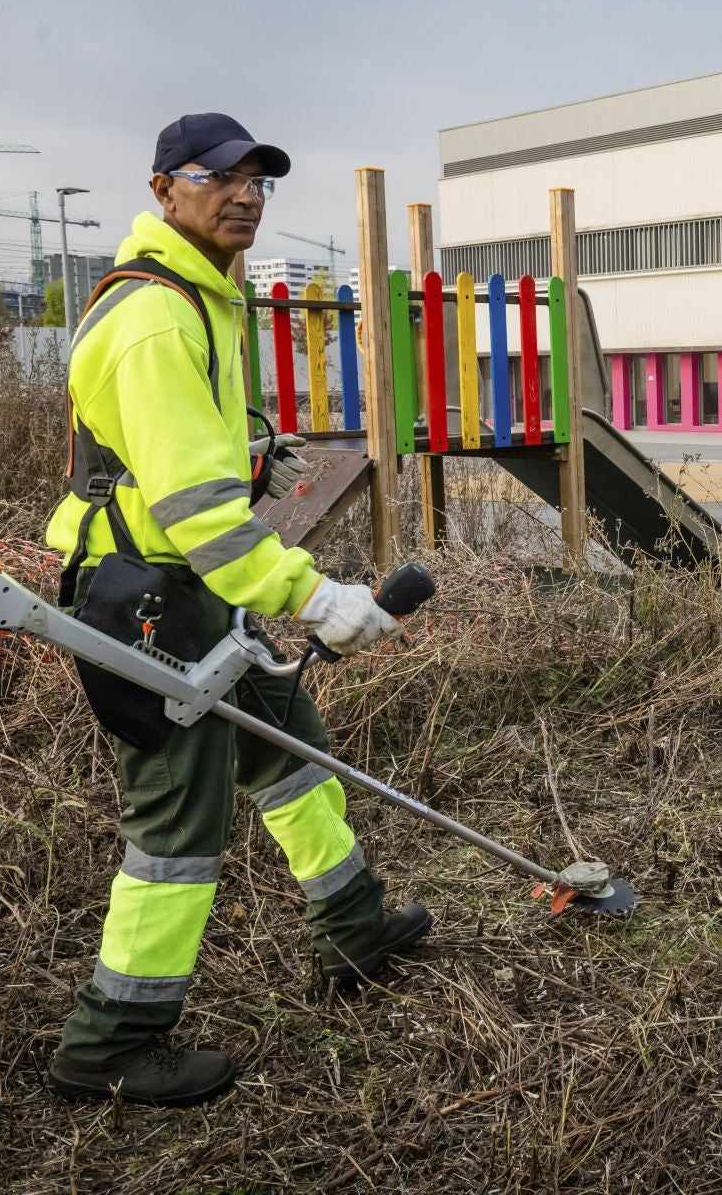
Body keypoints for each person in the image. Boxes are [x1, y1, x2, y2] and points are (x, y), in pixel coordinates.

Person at [44, 114, 432, 1108]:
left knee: (293, 750)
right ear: (164, 188)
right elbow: (194, 516)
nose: (245, 194)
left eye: (258, 179)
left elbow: (178, 465)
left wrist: (259, 459)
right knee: (178, 821)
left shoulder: (204, 297)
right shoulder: (160, 316)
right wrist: (319, 597)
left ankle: (353, 927)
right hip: (144, 592)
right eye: (219, 178)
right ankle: (114, 1038)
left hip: (192, 585)